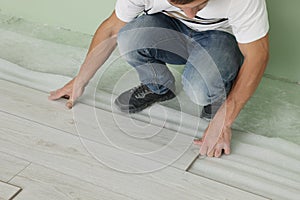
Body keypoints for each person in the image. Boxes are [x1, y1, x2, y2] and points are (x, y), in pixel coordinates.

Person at [49, 0, 269, 158]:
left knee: (198, 89)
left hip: (219, 37)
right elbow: (111, 30)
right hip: (170, 27)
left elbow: (258, 55)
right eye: (181, 6)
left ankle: (218, 92)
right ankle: (159, 87)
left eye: (200, 5)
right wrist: (80, 80)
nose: (191, 14)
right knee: (128, 37)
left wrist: (225, 119)